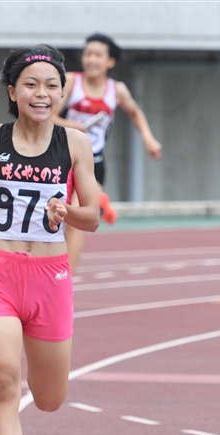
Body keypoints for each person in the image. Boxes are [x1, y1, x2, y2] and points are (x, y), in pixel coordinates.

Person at [0, 45, 100, 435]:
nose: (41, 93)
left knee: (48, 399)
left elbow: (93, 218)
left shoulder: (76, 143)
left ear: (62, 92)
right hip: (0, 275)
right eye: (30, 84)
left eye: (50, 85)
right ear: (12, 91)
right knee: (4, 381)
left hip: (51, 279)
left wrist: (68, 212)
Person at [52, 33, 161, 272]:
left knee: (75, 223)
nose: (90, 59)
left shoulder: (116, 90)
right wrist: (72, 126)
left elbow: (135, 112)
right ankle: (101, 201)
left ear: (110, 62)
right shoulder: (71, 81)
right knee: (59, 221)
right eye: (87, 53)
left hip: (93, 162)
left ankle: (67, 278)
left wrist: (148, 138)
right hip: (62, 159)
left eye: (97, 55)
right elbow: (51, 116)